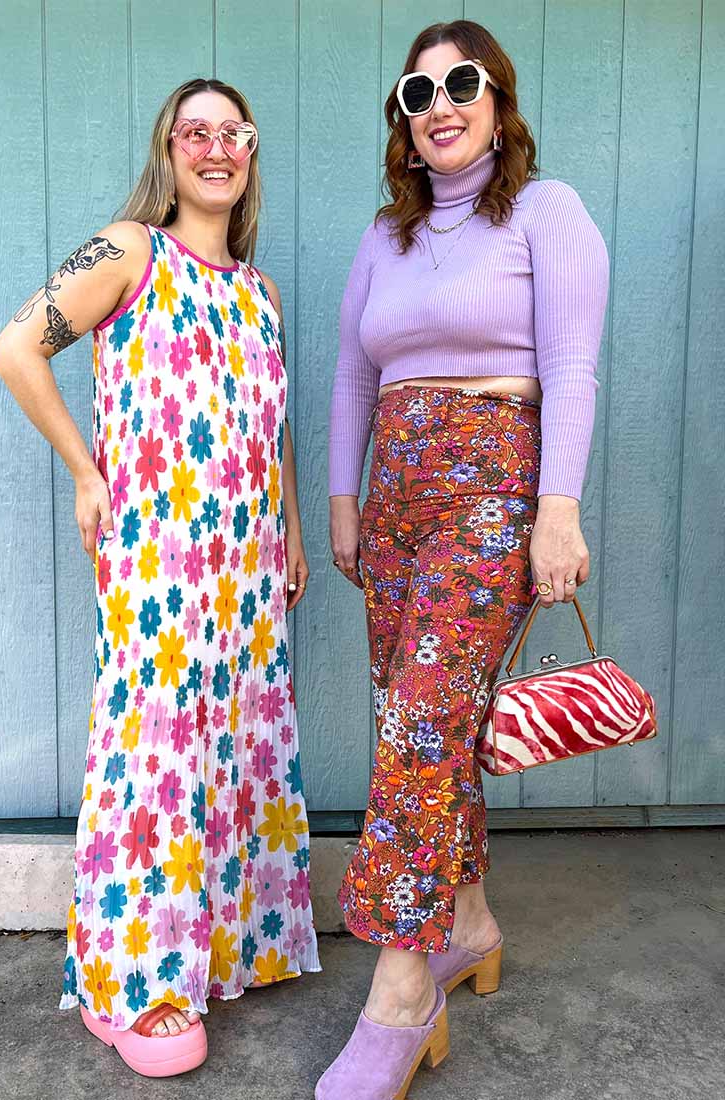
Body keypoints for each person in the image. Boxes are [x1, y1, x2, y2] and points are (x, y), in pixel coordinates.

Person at [0, 77, 320, 1078]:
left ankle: (222, 945)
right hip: (161, 561)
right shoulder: (130, 249)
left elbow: (275, 424)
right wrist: (86, 471)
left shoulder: (255, 291)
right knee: (157, 754)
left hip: (250, 562)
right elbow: (17, 350)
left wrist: (293, 529)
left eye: (235, 132)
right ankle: (134, 980)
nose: (216, 147)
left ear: (251, 153)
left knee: (237, 742)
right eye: (195, 131)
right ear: (168, 150)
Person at [320, 19, 608, 1100]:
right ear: (402, 116)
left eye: (461, 82)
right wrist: (342, 501)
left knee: (418, 724)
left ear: (496, 100)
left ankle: (403, 989)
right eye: (417, 90)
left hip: (492, 483)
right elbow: (352, 378)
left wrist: (556, 511)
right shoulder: (381, 237)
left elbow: (571, 367)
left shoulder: (545, 211)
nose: (439, 104)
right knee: (421, 718)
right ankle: (468, 920)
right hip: (391, 494)